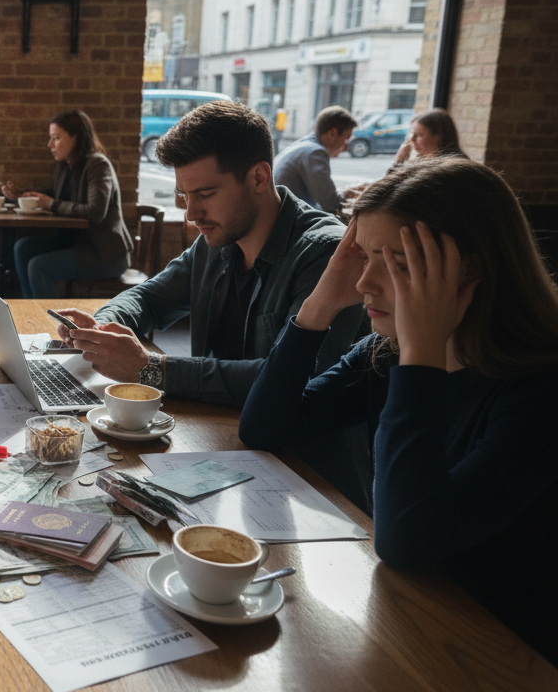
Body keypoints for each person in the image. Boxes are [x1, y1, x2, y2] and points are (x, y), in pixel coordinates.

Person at [238, 156, 558, 663]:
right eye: (364, 256)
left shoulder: (540, 393)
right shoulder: (384, 357)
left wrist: (421, 353)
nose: (366, 282)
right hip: (408, 615)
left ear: (470, 271)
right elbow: (265, 428)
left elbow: (408, 540)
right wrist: (320, 304)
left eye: (398, 264)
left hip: (499, 652)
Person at [51, 99, 370, 507]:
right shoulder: (215, 240)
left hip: (310, 482)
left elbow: (290, 383)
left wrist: (152, 368)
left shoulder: (322, 253)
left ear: (258, 177)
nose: (191, 214)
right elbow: (149, 296)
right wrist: (104, 323)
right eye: (183, 195)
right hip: (222, 448)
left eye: (204, 193)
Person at [0, 110, 134, 298]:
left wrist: (52, 204)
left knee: (38, 266)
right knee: (22, 248)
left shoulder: (98, 165)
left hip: (104, 254)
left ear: (75, 138)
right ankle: (32, 314)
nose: (50, 144)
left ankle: (47, 323)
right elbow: (47, 193)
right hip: (78, 246)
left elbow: (96, 211)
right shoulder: (66, 166)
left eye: (56, 138)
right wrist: (19, 196)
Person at [272, 106, 357, 212]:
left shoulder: (304, 144)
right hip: (287, 220)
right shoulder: (314, 153)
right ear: (333, 133)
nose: (346, 148)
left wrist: (346, 192)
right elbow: (331, 204)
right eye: (346, 140)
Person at [394, 108, 468, 164]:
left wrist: (399, 163)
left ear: (438, 137)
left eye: (418, 135)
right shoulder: (424, 161)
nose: (412, 139)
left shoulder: (452, 166)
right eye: (411, 133)